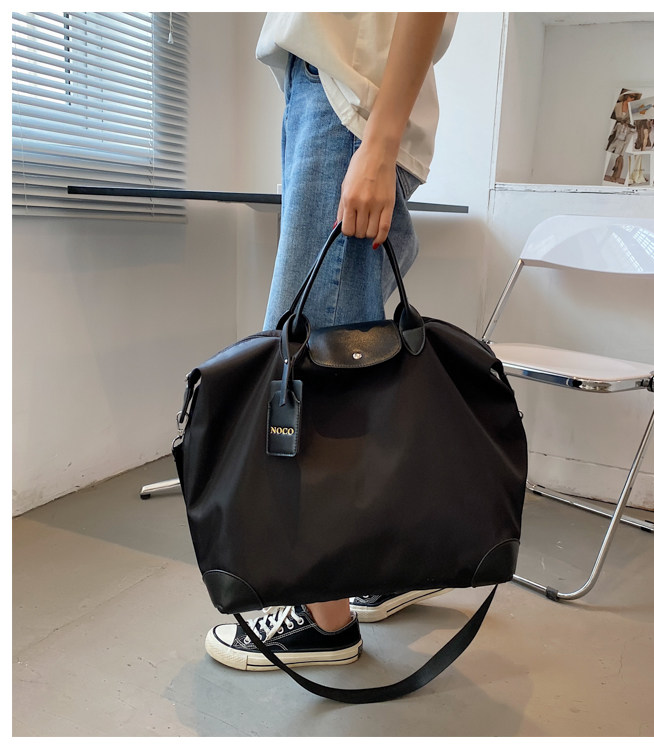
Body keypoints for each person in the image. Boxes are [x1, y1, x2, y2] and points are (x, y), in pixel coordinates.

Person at [205, 12, 457, 672]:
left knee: (302, 372)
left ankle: (326, 619)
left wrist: (377, 142)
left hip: (347, 107)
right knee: (347, 359)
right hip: (331, 97)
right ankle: (381, 562)